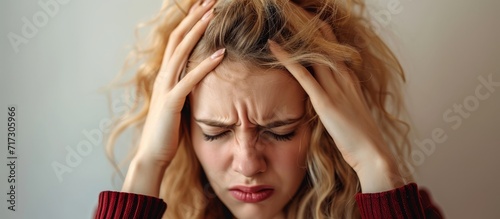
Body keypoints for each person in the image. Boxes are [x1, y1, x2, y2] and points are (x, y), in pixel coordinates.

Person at [95, 0, 443, 218]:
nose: (248, 165)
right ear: (179, 127)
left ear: (325, 124)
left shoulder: (401, 210)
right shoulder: (137, 208)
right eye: (214, 132)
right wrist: (148, 164)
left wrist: (374, 164)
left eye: (280, 131)